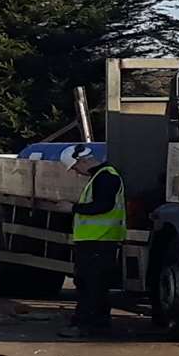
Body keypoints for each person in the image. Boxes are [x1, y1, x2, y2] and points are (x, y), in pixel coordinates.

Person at [61, 144, 123, 339]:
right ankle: (97, 325)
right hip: (97, 240)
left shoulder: (106, 177)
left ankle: (86, 325)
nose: (76, 173)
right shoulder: (101, 176)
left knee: (91, 285)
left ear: (83, 161)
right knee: (94, 285)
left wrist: (73, 208)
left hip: (99, 240)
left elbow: (103, 206)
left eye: (75, 168)